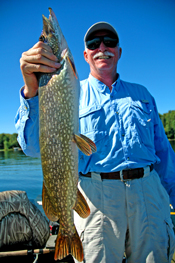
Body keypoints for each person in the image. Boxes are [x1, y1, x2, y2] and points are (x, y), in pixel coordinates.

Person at [15, 21, 175, 263]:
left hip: (148, 193)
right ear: (85, 54)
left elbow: (164, 154)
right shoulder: (69, 92)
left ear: (119, 52)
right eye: (94, 43)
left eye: (110, 42)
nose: (102, 47)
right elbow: (32, 147)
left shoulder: (142, 94)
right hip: (97, 197)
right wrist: (31, 87)